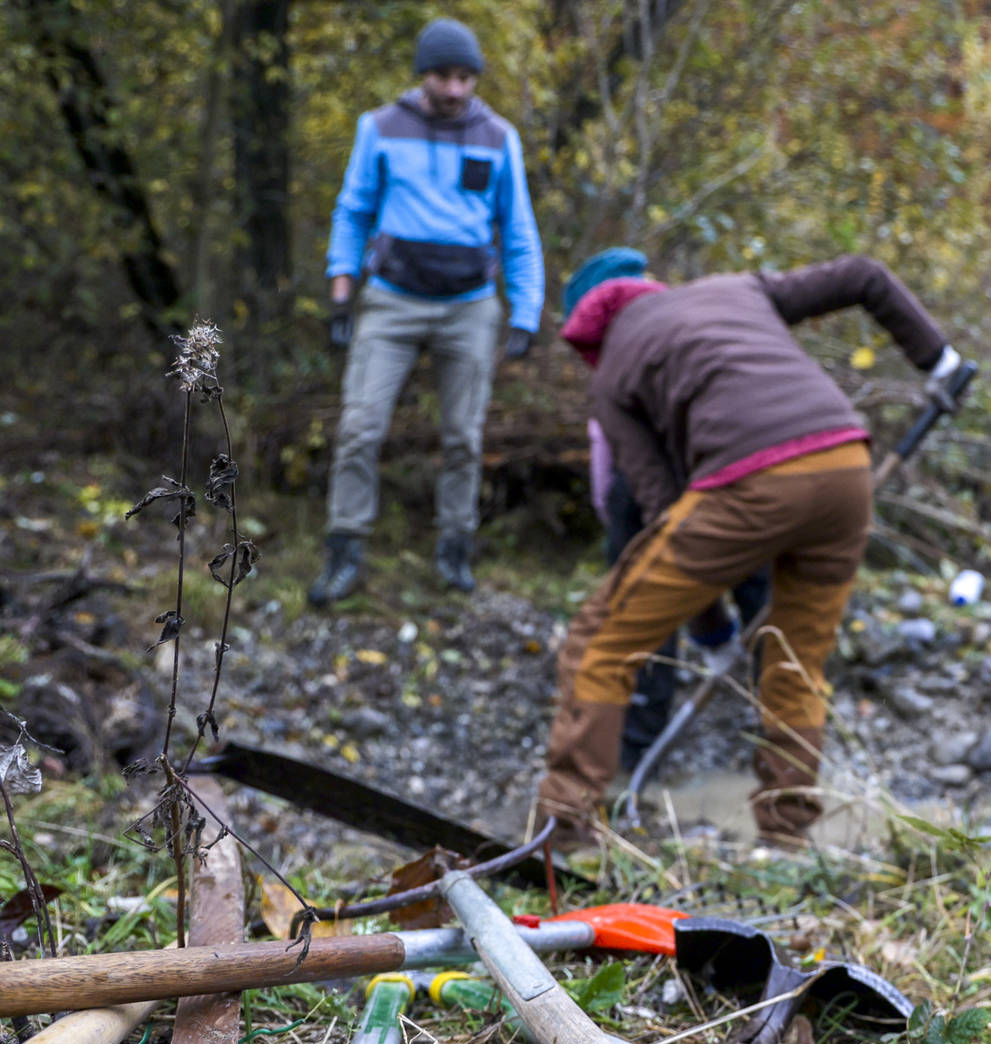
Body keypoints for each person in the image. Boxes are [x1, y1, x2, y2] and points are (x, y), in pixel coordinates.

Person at [537, 253, 962, 846]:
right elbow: (864, 274)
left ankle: (560, 833)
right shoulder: (733, 286)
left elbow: (662, 515)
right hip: (845, 467)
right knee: (794, 662)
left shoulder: (611, 376)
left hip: (753, 482)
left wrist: (710, 633)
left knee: (599, 641)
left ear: (588, 332)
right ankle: (786, 837)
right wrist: (937, 359)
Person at [308, 17, 545, 606]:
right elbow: (353, 211)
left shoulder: (498, 136)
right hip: (391, 301)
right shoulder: (381, 128)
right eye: (444, 76)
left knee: (464, 436)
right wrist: (341, 292)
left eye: (465, 77)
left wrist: (526, 311)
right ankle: (345, 549)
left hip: (469, 308)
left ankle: (455, 549)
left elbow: (518, 230)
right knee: (361, 427)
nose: (456, 88)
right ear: (423, 75)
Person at [568, 248, 769, 773]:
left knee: (645, 598)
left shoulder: (616, 368)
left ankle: (637, 746)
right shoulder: (690, 322)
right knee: (759, 586)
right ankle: (784, 727)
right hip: (734, 470)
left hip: (662, 488)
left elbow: (606, 475)